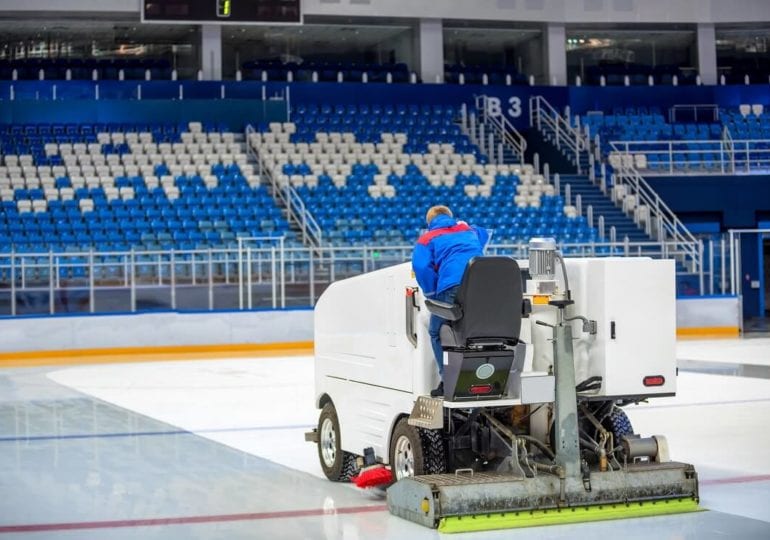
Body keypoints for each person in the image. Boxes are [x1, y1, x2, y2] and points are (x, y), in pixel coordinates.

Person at [412, 205, 489, 397]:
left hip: (452, 287)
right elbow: (484, 233)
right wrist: (465, 224)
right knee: (475, 329)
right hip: (481, 285)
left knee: (436, 331)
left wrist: (432, 293)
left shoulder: (426, 239)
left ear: (429, 222)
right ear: (451, 217)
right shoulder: (467, 230)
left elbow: (421, 267)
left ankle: (447, 382)